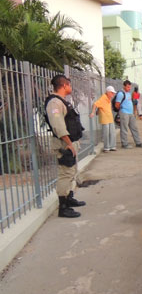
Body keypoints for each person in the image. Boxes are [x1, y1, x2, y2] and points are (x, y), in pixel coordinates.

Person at [44, 75, 85, 218]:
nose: (71, 88)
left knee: (71, 172)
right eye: (69, 85)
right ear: (64, 86)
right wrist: (69, 144)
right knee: (65, 174)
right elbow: (58, 127)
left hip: (69, 143)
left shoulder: (62, 101)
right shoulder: (54, 103)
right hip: (64, 144)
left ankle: (69, 198)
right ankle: (63, 207)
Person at [115, 80, 142, 149]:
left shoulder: (128, 93)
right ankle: (124, 144)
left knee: (134, 128)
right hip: (124, 113)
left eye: (130, 87)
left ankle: (138, 142)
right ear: (124, 86)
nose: (129, 88)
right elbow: (117, 104)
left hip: (130, 113)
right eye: (128, 87)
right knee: (124, 129)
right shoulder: (121, 94)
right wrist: (122, 110)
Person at [89, 85, 117, 152]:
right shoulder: (103, 97)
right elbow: (95, 104)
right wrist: (93, 112)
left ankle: (112, 146)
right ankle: (106, 147)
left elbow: (100, 106)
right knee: (106, 133)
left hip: (109, 117)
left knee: (112, 132)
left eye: (113, 93)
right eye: (112, 93)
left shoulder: (109, 98)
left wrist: (98, 110)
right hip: (105, 118)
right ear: (108, 92)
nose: (113, 94)